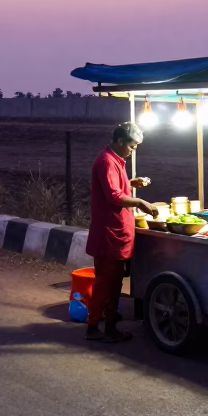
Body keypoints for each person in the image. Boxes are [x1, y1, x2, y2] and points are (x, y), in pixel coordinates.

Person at [85, 121, 158, 342]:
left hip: (116, 231)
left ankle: (105, 319)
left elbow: (116, 186)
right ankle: (100, 327)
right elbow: (114, 196)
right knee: (108, 282)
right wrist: (140, 202)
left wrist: (131, 182)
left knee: (113, 281)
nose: (133, 150)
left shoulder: (116, 160)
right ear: (119, 141)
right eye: (132, 146)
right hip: (110, 232)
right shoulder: (107, 161)